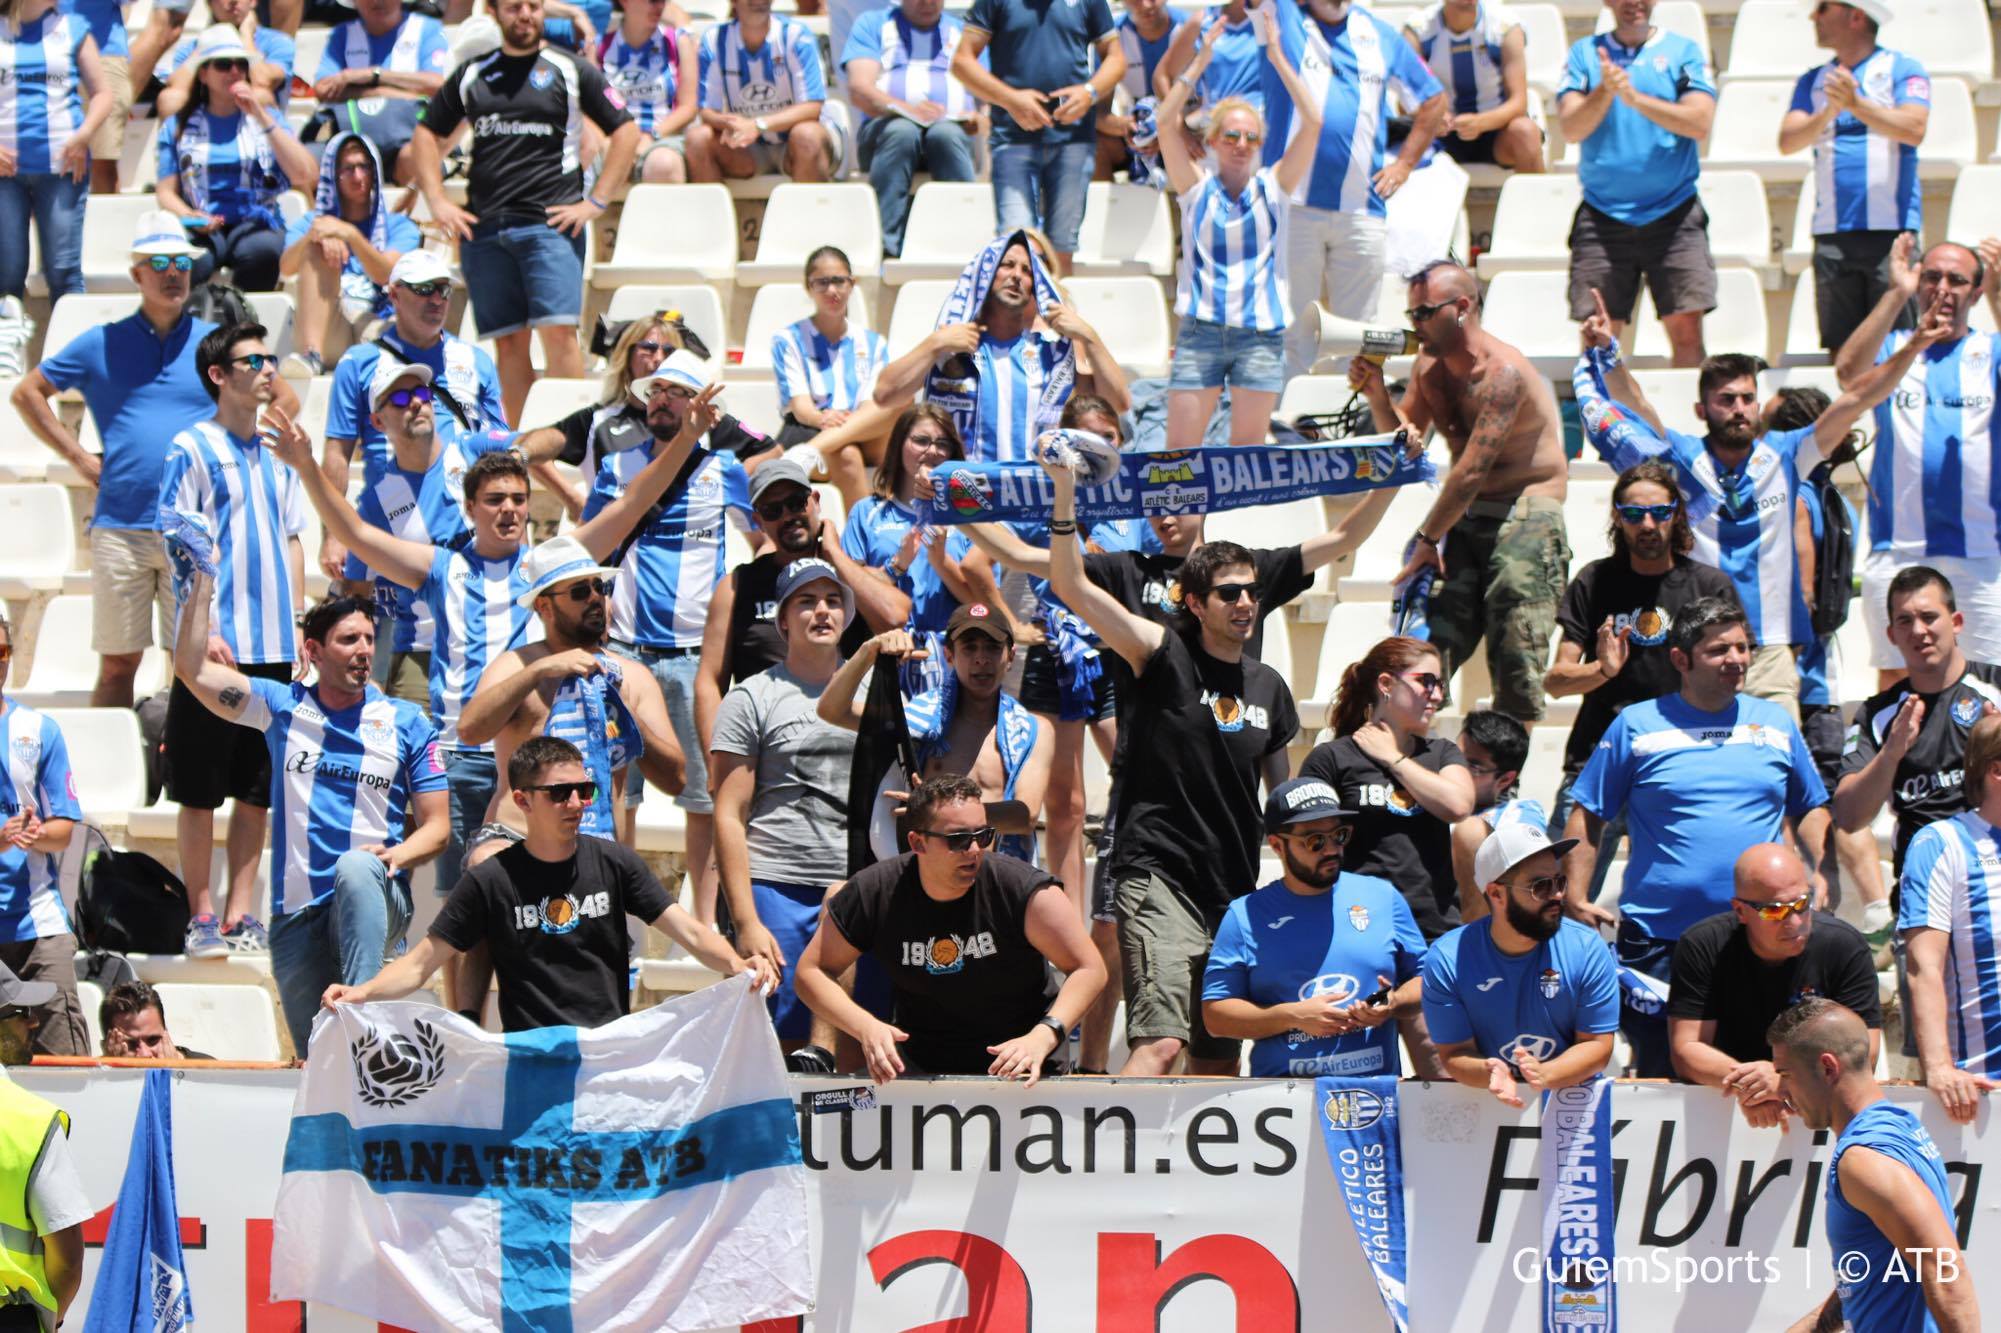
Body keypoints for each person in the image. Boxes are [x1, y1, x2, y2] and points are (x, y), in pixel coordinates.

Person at [269, 386, 723, 940]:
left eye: (517, 498)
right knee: (466, 911)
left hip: (537, 754)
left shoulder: (553, 567)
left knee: (553, 904)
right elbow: (357, 534)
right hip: (461, 755)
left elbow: (631, 506)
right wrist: (306, 466)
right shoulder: (441, 568)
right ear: (470, 508)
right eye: (494, 499)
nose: (508, 509)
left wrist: (686, 437)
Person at [1577, 282, 1951, 717]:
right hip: (1698, 643)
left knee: (1775, 756)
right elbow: (1636, 402)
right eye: (1726, 400)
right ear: (1701, 410)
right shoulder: (1682, 457)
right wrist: (1608, 351)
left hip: (1770, 649)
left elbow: (1856, 399)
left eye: (1747, 399)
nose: (1739, 409)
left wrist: (1914, 345)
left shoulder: (1788, 453)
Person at [1044, 460, 1299, 1076]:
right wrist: (1065, 492)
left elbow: (1285, 802)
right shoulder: (1160, 652)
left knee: (1216, 1057)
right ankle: (1108, 1142)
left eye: (1251, 591)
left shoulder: (1270, 686)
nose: (1245, 603)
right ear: (1195, 603)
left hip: (1232, 886)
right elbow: (1071, 584)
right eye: (1228, 593)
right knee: (1161, 1044)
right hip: (1159, 873)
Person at [170, 572, 449, 1053]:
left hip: (375, 897)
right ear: (313, 652)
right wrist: (201, 585)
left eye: (369, 639)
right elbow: (191, 669)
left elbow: (439, 825)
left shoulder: (406, 721)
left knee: (356, 868)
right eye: (349, 640)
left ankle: (363, 1014)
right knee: (315, 1062)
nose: (364, 650)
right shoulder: (283, 705)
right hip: (297, 916)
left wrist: (397, 856)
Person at [325, 736, 774, 1030]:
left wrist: (738, 965)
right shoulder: (490, 880)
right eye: (560, 793)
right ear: (522, 801)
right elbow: (420, 964)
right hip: (529, 1061)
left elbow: (690, 932)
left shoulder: (615, 863)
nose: (576, 803)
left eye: (584, 790)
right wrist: (360, 992)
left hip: (604, 1052)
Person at [1567, 596, 1830, 1078]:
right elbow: (1588, 813)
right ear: (1680, 659)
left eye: (1742, 648)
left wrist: (1815, 868)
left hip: (1762, 937)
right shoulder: (1636, 726)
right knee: (1663, 1078)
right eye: (1718, 650)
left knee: (1766, 1075)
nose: (1736, 659)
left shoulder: (1776, 724)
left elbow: (1809, 805)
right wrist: (1576, 896)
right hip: (1661, 941)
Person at [586, 354, 769, 943]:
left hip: (695, 657)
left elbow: (762, 541)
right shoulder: (617, 466)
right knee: (619, 789)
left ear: (701, 406)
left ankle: (704, 923)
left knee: (703, 795)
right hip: (626, 648)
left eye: (677, 391)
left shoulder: (724, 469)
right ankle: (617, 915)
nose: (662, 399)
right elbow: (592, 546)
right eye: (656, 389)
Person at [9, 212, 220, 708]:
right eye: (159, 264)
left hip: (196, 526)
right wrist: (80, 459)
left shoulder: (214, 344)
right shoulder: (101, 342)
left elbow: (276, 400)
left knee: (195, 664)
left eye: (181, 263)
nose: (173, 273)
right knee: (118, 665)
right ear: (136, 275)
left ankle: (183, 761)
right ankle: (109, 757)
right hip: (121, 527)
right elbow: (27, 393)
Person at [1357, 261, 1568, 724]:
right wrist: (1377, 396)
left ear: (1462, 308)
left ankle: (1507, 759)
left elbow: (1471, 470)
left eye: (1424, 313)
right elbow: (1407, 444)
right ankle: (1421, 750)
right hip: (1470, 515)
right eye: (1411, 314)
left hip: (1526, 507)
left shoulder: (1503, 372)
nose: (1415, 324)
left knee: (1515, 651)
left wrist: (1427, 538)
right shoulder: (1429, 366)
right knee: (1429, 647)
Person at [158, 320, 309, 959]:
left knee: (256, 791)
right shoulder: (191, 446)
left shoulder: (279, 450)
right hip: (215, 649)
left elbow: (295, 538)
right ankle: (200, 917)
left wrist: (299, 623)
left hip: (275, 647)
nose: (268, 369)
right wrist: (206, 628)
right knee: (198, 790)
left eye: (270, 358)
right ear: (219, 376)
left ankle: (240, 916)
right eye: (253, 360)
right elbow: (175, 537)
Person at [413, 0, 637, 426]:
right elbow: (425, 133)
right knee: (510, 346)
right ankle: (522, 445)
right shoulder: (473, 73)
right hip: (486, 230)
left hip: (550, 226)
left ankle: (570, 444)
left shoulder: (570, 69)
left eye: (533, 5)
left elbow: (625, 130)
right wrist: (438, 201)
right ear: (494, 12)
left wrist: (596, 202)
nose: (526, 15)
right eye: (514, 6)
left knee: (560, 336)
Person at [795, 774, 1103, 1083]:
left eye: (983, 835)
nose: (974, 849)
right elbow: (812, 971)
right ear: (918, 842)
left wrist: (1044, 1035)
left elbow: (1089, 968)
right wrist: (865, 1026)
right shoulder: (876, 890)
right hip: (923, 1067)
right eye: (958, 839)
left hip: (1022, 1064)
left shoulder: (1023, 890)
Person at [695, 459, 905, 882]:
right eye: (773, 510)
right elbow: (708, 682)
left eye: (795, 502)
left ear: (815, 501)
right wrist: (718, 765)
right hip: (767, 748)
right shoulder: (738, 584)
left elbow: (894, 618)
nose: (788, 515)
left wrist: (835, 556)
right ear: (758, 521)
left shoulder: (849, 575)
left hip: (846, 748)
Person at [1542, 459, 1737, 906]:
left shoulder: (1708, 586)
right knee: (1556, 900)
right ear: (1617, 517)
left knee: (1689, 902)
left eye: (1659, 512)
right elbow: (1556, 681)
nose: (1647, 524)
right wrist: (1603, 670)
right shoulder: (1595, 581)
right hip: (1600, 759)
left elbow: (1734, 676)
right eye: (1633, 514)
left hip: (1681, 761)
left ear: (1676, 514)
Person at [711, 557, 864, 1058]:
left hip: (856, 883)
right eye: (806, 601)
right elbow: (728, 812)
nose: (822, 611)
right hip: (777, 882)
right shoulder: (750, 697)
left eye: (833, 600)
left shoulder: (879, 693)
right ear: (781, 619)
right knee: (777, 1042)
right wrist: (746, 920)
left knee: (853, 1042)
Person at [456, 534, 686, 851]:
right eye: (580, 591)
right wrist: (538, 671)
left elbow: (676, 780)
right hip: (516, 841)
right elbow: (469, 731)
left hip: (598, 850)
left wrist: (627, 717)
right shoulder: (516, 666)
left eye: (599, 587)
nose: (595, 598)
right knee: (485, 860)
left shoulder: (632, 677)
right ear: (544, 606)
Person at [1154, 6, 1320, 448]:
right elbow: (1165, 122)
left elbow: (1313, 121)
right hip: (1201, 329)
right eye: (1230, 135)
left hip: (1260, 335)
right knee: (1179, 457)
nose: (1241, 144)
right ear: (1212, 141)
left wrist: (1277, 57)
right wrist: (1200, 61)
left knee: (1246, 460)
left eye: (1251, 137)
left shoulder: (1274, 188)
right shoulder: (1195, 190)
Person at [1836, 239, 2001, 678]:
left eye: (1956, 280)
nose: (1942, 288)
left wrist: (1998, 296)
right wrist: (1897, 293)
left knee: (1991, 683)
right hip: (1899, 548)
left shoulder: (1990, 350)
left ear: (1976, 292)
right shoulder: (1894, 348)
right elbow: (1848, 374)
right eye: (1931, 277)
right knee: (1898, 680)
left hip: (1981, 552)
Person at [1770, 998, 1981, 1333]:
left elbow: (1946, 1276)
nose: (1781, 1089)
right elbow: (1872, 1274)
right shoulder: (1899, 1126)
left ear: (1827, 1068)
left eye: (1785, 1074)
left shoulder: (1864, 1159)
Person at [1262, 0, 1444, 376]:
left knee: (1358, 337)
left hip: (1362, 210)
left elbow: (1433, 99)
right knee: (1288, 332)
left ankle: (1351, 411)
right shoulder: (1283, 16)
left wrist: (1404, 165)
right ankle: (1283, 411)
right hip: (1293, 206)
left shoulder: (1380, 34)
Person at [1203, 777, 1426, 1077]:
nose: (1331, 849)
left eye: (1339, 835)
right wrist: (1293, 1016)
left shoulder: (1382, 897)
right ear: (1277, 845)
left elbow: (1427, 980)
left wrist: (1393, 1002)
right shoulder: (1245, 916)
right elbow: (1216, 1017)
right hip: (1281, 1095)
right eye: (1315, 841)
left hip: (1374, 1093)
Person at [336, 360, 517, 708]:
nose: (416, 402)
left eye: (421, 392)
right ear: (377, 421)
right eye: (400, 399)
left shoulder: (472, 451)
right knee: (417, 741)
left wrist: (549, 475)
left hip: (498, 635)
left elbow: (534, 441)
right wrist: (368, 673)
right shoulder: (376, 502)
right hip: (422, 651)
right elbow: (358, 594)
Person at [1669, 844, 1881, 1129]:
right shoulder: (1703, 945)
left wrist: (1785, 1081)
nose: (1794, 921)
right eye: (1774, 911)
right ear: (1740, 911)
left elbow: (1864, 1052)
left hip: (1811, 1099)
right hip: (1725, 1098)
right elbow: (1686, 1049)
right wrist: (1757, 1086)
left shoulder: (1844, 946)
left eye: (1802, 904)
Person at [822, 605, 1054, 861]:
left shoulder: (1033, 729)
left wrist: (939, 811)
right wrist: (869, 651)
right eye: (969, 647)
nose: (981, 658)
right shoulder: (918, 719)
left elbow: (1026, 816)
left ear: (1010, 656)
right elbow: (833, 711)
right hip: (930, 874)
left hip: (997, 875)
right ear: (949, 655)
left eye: (992, 647)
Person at [873, 232, 1131, 461]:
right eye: (1007, 265)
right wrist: (934, 344)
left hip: (1031, 492)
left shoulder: (1051, 353)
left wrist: (1090, 337)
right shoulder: (951, 345)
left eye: (1028, 271)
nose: (1017, 275)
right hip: (962, 494)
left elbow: (1117, 404)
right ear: (984, 273)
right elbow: (884, 394)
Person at [1555, 0, 1717, 366]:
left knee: (1687, 333)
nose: (1634, 3)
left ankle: (1687, 405)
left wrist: (1634, 98)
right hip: (1602, 214)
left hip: (1675, 213)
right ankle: (1602, 407)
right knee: (1598, 334)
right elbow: (1571, 128)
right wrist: (1605, 91)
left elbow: (1699, 122)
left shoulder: (1683, 51)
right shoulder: (1584, 53)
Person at [1835, 566, 2001, 907]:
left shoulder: (1995, 689)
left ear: (1956, 622)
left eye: (1929, 617)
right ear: (1891, 635)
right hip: (1923, 888)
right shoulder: (1878, 714)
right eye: (1905, 621)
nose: (1918, 631)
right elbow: (1849, 816)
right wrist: (1891, 754)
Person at [1424, 821, 1618, 1104]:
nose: (1557, 894)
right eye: (1541, 886)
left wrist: (1544, 1075)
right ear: (1496, 894)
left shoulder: (1587, 948)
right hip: (1489, 1103)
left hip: (1571, 1101)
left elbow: (1597, 1045)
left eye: (1559, 882)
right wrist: (1489, 1072)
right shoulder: (1447, 958)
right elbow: (1454, 1053)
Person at [1779, 0, 1928, 354]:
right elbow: (1788, 141)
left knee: (1897, 349)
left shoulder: (1903, 68)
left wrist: (1856, 104)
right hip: (1832, 232)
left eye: (1823, 8)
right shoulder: (1814, 80)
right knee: (1842, 353)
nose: (1813, 16)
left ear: (1856, 16)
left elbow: (1914, 129)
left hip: (1892, 231)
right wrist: (1829, 111)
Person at [953, 0, 1125, 274]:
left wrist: (1089, 93)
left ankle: (1057, 304)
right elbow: (961, 62)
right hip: (1012, 140)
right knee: (1017, 251)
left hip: (1073, 140)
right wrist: (1010, 100)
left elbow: (1116, 58)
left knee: (1062, 252)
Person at [513, 312, 729, 516]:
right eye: (649, 348)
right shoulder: (598, 420)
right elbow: (536, 445)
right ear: (627, 356)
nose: (659, 358)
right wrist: (572, 500)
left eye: (669, 351)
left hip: (680, 535)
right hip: (613, 538)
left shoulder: (702, 418)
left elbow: (747, 457)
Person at [154, 25, 315, 292]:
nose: (234, 72)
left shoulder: (267, 117)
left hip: (256, 222)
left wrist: (260, 115)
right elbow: (165, 191)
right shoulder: (177, 125)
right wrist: (190, 216)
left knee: (261, 254)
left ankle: (244, 317)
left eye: (241, 65)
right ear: (203, 74)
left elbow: (304, 174)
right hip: (200, 225)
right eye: (223, 64)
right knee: (189, 261)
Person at [1899, 714, 2001, 1126]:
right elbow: (1923, 967)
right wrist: (1939, 1067)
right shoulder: (1942, 844)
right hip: (1982, 1089)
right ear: (1997, 771)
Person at [0, 0, 111, 376]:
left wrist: (83, 136)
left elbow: (103, 93)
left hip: (63, 168)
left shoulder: (73, 27)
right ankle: (7, 366)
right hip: (5, 173)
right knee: (7, 272)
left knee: (64, 270)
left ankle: (75, 365)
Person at [839, 405, 977, 695]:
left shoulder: (970, 519)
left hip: (952, 659)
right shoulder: (867, 512)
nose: (933, 451)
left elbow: (982, 603)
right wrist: (895, 566)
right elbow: (848, 590)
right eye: (921, 440)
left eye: (943, 443)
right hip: (886, 655)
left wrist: (941, 562)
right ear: (898, 445)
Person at [842, 0, 984, 257]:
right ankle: (884, 249)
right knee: (902, 132)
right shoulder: (873, 25)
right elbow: (859, 90)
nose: (927, 3)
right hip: (885, 137)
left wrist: (976, 118)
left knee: (946, 135)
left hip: (949, 134)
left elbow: (988, 98)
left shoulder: (964, 34)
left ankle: (965, 245)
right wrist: (909, 110)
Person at [0, 614, 82, 1057]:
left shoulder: (39, 730)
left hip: (39, 927)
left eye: (1, 652)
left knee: (68, 1064)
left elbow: (63, 829)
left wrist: (33, 835)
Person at [278, 133, 422, 380]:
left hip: (377, 323)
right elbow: (286, 268)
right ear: (332, 175)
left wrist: (351, 235)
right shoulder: (311, 223)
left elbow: (387, 274)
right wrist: (315, 236)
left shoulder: (400, 226)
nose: (358, 176)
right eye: (348, 169)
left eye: (364, 167)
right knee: (315, 248)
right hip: (329, 329)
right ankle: (312, 356)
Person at [0, 961, 87, 1333]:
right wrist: (50, 1320)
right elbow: (68, 1262)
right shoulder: (31, 1121)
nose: (34, 1022)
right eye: (21, 1013)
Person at [773, 246, 888, 489]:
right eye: (822, 282)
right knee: (846, 454)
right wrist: (823, 418)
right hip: (809, 429)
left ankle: (809, 452)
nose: (832, 290)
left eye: (839, 281)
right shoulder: (788, 339)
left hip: (863, 430)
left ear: (852, 284)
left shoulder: (874, 343)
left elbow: (872, 405)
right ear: (808, 287)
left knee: (900, 401)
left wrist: (849, 423)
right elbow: (802, 408)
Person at [688, 0, 839, 183]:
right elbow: (707, 111)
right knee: (698, 139)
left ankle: (810, 203)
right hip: (746, 147)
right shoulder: (714, 40)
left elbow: (812, 107)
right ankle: (712, 203)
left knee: (807, 135)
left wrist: (758, 125)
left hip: (796, 143)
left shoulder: (795, 35)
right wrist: (729, 123)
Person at [311, 0, 452, 186]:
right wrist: (395, 92)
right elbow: (323, 88)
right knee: (305, 164)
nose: (377, 1)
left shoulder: (426, 28)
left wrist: (372, 75)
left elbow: (438, 86)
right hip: (350, 143)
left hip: (409, 139)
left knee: (418, 160)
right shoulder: (342, 33)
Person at [1402, 0, 1542, 173]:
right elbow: (1406, 100)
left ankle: (1536, 191)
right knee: (1401, 136)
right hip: (1440, 133)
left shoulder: (1506, 27)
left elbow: (1519, 102)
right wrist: (1434, 116)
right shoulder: (1417, 30)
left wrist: (1481, 122)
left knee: (1526, 132)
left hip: (1496, 130)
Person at [1448, 707, 1540, 922]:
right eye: (1453, 756)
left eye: (1472, 766)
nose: (1455, 769)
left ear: (1505, 779)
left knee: (1471, 831)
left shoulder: (1517, 814)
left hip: (1476, 928)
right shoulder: (1425, 799)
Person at [598, 0, 698, 185]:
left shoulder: (677, 42)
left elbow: (689, 107)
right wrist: (619, 141)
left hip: (662, 136)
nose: (660, 6)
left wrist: (652, 136)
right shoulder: (600, 46)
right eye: (652, 0)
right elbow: (590, 107)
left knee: (664, 164)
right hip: (613, 137)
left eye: (662, 0)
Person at [1094, 0, 1180, 181]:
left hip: (1182, 131)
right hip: (1134, 134)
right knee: (1091, 143)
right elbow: (1097, 114)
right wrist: (1126, 127)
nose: (1146, 5)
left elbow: (1210, 106)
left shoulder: (1191, 29)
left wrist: (1168, 131)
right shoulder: (1111, 38)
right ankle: (1106, 199)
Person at [1155, 0, 1267, 129]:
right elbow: (1162, 75)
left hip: (1262, 128)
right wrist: (1180, 128)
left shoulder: (1275, 18)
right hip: (1215, 131)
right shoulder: (1203, 20)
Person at [99, 980, 212, 1059]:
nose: (145, 1054)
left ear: (166, 1034)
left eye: (153, 1040)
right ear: (106, 1047)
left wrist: (173, 1075)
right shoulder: (92, 1082)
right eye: (131, 1045)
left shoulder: (209, 1075)